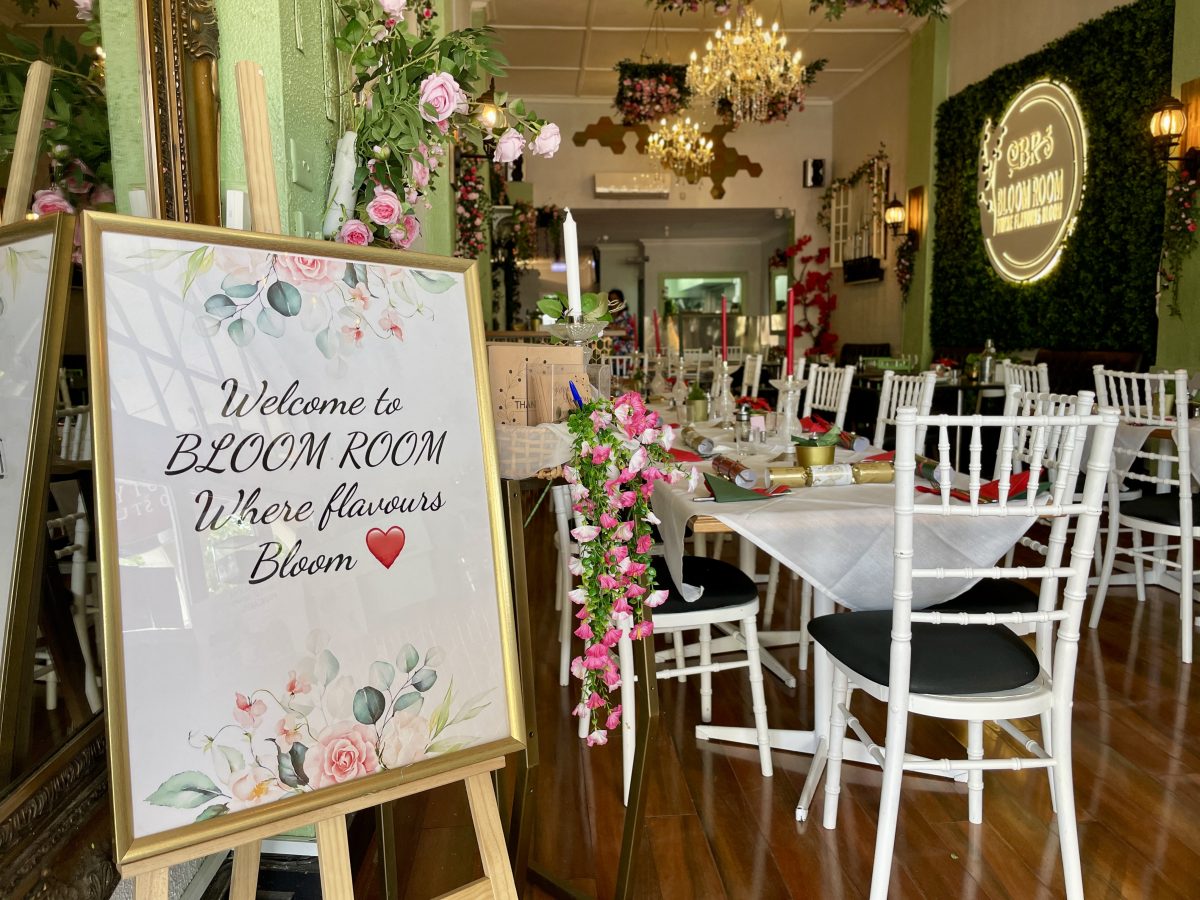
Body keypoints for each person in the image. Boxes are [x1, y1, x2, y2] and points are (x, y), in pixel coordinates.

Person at [607, 288, 636, 355]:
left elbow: (630, 336)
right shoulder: (608, 316)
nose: (613, 302)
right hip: (611, 353)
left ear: (621, 301)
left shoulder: (626, 317)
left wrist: (615, 329)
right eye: (610, 300)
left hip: (625, 353)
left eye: (615, 299)